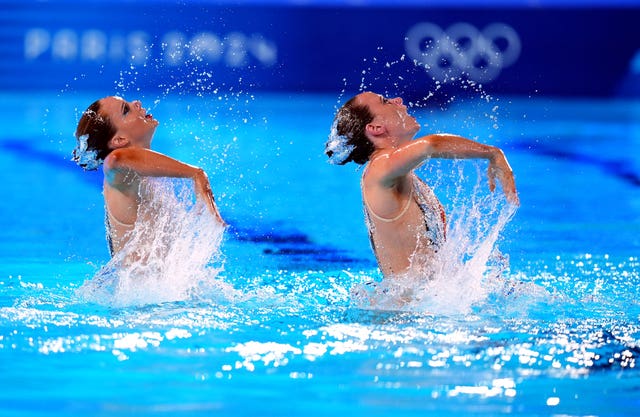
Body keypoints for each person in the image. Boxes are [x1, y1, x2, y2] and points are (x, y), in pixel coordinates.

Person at [326, 91, 519, 279]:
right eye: (385, 101)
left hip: (420, 305)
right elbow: (430, 145)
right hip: (406, 309)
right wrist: (493, 153)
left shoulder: (402, 175)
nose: (397, 99)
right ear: (375, 128)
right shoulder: (379, 168)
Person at [73, 96, 225, 258]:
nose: (137, 102)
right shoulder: (120, 175)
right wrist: (196, 173)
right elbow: (116, 160)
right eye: (126, 110)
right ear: (120, 140)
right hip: (139, 283)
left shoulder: (143, 175)